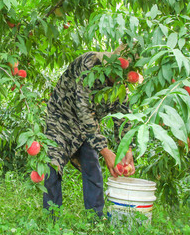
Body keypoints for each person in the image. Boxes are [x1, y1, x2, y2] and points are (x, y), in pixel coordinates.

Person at [43, 48, 136, 217]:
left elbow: (123, 116)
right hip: (61, 117)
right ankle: (51, 219)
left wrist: (126, 149)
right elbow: (83, 111)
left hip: (87, 126)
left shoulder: (119, 84)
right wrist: (106, 151)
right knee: (52, 166)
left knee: (92, 166)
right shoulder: (88, 66)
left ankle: (95, 219)